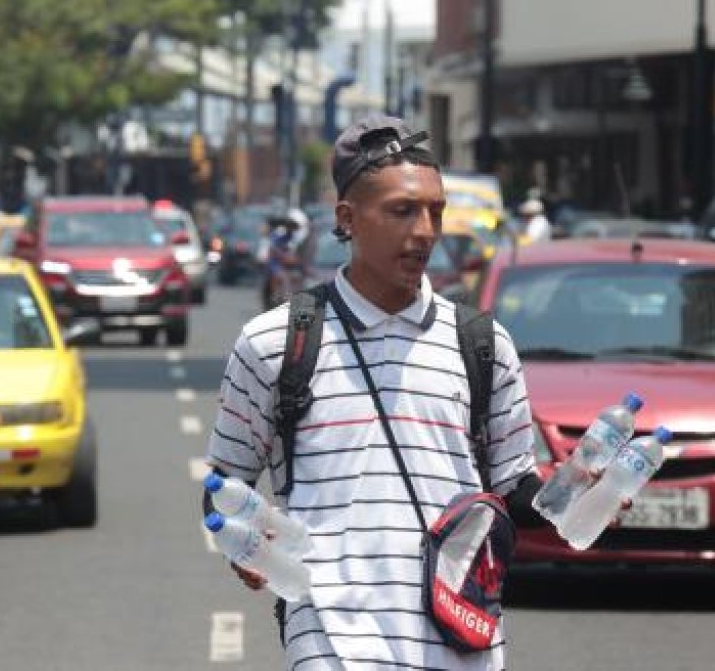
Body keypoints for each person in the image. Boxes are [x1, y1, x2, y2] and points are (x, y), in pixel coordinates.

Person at [204, 115, 546, 669]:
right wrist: (249, 547)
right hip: (330, 641)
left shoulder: (482, 345)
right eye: (402, 210)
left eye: (435, 211)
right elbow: (223, 485)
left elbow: (516, 489)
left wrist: (584, 494)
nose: (425, 231)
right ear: (347, 219)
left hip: (459, 634)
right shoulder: (275, 342)